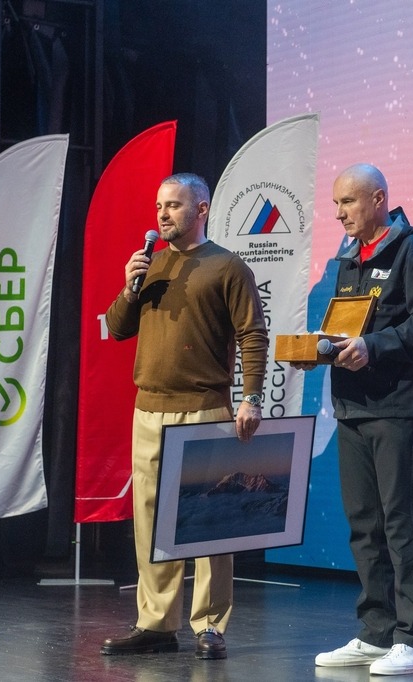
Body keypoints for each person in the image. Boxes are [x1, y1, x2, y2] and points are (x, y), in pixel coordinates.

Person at [99, 173, 269, 660]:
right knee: (150, 521)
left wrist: (251, 397)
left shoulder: (227, 266)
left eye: (173, 205)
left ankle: (210, 625)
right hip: (149, 408)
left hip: (204, 407)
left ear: (202, 209)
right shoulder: (150, 264)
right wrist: (130, 288)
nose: (162, 214)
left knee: (209, 518)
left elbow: (253, 334)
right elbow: (117, 328)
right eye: (159, 206)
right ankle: (156, 623)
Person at [296, 163, 413, 676]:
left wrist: (375, 346)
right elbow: (348, 329)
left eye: (348, 202)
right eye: (336, 204)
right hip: (353, 407)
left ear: (379, 199)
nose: (339, 213)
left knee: (401, 521)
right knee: (364, 524)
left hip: (398, 407)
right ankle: (376, 632)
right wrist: (318, 350)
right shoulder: (350, 258)